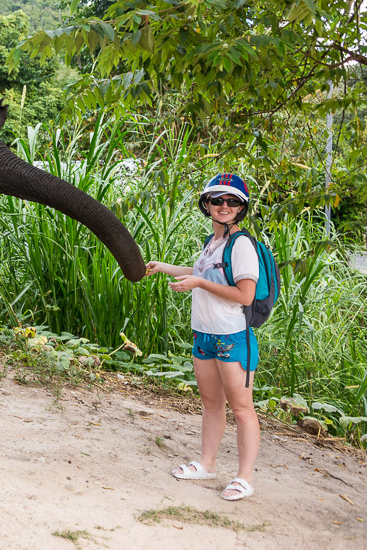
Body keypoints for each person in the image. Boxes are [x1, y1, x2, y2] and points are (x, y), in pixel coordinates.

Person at [145, 173, 260, 501]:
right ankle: (207, 464)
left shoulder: (241, 245)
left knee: (242, 409)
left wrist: (198, 284)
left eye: (232, 201)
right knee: (211, 404)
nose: (224, 206)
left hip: (232, 337)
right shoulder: (213, 243)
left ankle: (244, 477)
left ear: (241, 208)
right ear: (206, 204)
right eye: (217, 200)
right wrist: (165, 267)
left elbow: (245, 296)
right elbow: (204, 274)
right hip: (205, 335)